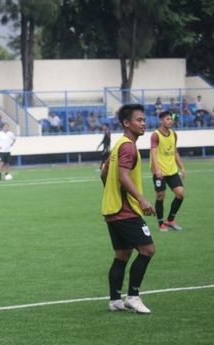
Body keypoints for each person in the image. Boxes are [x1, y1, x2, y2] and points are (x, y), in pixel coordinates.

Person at [101, 103, 156, 314]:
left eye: (144, 119)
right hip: (125, 210)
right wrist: (141, 199)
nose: (144, 123)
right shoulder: (128, 146)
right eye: (139, 120)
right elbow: (123, 176)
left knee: (122, 255)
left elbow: (104, 172)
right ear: (126, 123)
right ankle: (133, 296)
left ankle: (115, 300)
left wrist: (111, 192)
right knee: (148, 249)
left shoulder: (118, 144)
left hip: (112, 209)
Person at [149, 111, 186, 231]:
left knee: (180, 194)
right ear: (161, 120)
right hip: (160, 172)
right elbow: (153, 153)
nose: (170, 121)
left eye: (171, 119)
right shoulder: (155, 135)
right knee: (160, 196)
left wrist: (182, 167)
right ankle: (161, 224)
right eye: (167, 119)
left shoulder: (174, 134)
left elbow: (175, 152)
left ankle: (170, 220)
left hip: (172, 170)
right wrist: (157, 169)